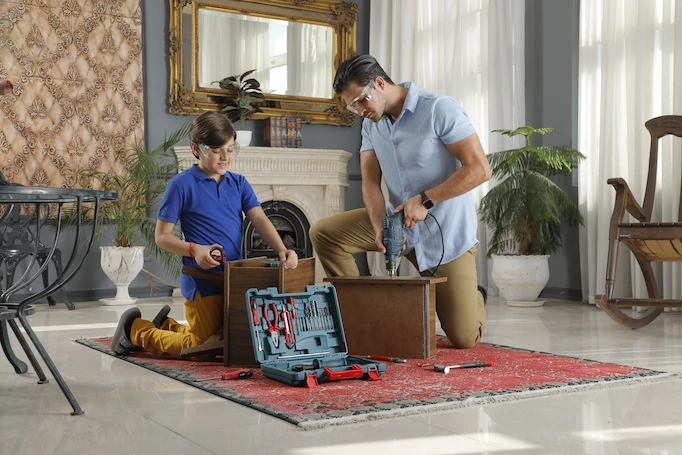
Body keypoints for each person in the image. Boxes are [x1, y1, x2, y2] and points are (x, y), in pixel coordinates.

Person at [310, 54, 491, 349]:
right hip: (400, 227)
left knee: (464, 337)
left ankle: (473, 294)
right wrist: (378, 227)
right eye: (351, 106)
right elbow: (369, 182)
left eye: (361, 100)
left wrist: (425, 200)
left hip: (444, 233)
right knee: (325, 233)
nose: (358, 111)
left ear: (379, 83)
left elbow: (480, 169)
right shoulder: (372, 123)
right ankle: (359, 316)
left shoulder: (439, 109)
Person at [111, 111, 298, 358]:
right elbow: (162, 237)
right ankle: (135, 329)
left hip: (233, 278)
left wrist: (282, 249)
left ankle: (167, 326)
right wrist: (194, 250)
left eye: (231, 149)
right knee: (201, 350)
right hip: (202, 279)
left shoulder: (239, 183)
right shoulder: (181, 184)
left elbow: (260, 218)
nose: (225, 157)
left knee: (228, 339)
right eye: (217, 150)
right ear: (195, 148)